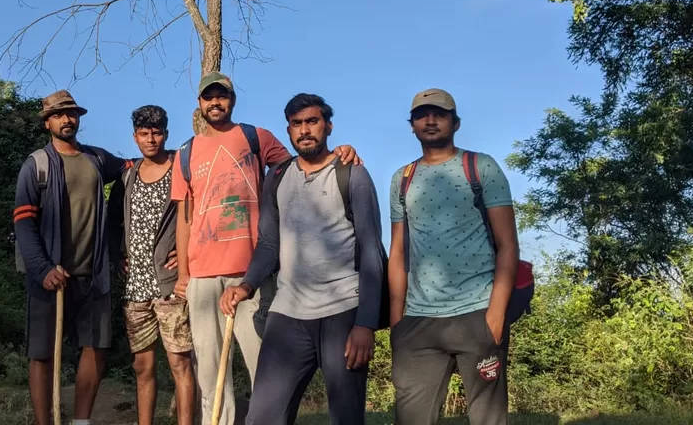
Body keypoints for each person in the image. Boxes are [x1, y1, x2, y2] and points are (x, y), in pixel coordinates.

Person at [170, 72, 361, 425]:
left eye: (222, 96)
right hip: (202, 275)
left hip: (250, 273)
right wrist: (183, 273)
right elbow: (185, 217)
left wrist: (338, 154)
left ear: (232, 100)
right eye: (208, 97)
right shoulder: (185, 153)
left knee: (266, 368)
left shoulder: (255, 138)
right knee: (210, 372)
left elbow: (302, 165)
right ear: (199, 104)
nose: (216, 103)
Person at [220, 93, 386, 425]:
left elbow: (370, 248)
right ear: (289, 129)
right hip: (288, 313)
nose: (304, 130)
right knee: (263, 416)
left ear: (328, 126)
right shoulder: (278, 177)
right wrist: (247, 284)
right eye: (297, 124)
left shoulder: (351, 174)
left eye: (312, 121)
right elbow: (269, 242)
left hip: (343, 309)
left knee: (346, 417)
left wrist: (365, 324)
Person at [388, 89, 520, 425]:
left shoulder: (480, 166)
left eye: (439, 114)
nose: (430, 120)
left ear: (455, 123)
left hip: (477, 312)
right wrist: (396, 322)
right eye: (421, 115)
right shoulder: (401, 179)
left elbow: (508, 245)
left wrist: (495, 313)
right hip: (417, 322)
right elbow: (399, 252)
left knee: (487, 419)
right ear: (412, 125)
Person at [13, 90, 130, 425]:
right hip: (51, 276)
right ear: (48, 122)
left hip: (93, 273)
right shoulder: (36, 165)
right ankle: (44, 421)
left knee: (97, 347)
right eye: (59, 115)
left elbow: (130, 170)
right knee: (43, 353)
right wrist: (42, 269)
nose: (67, 120)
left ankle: (81, 420)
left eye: (72, 113)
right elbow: (23, 222)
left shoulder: (96, 159)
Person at [107, 105, 196, 425]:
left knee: (180, 364)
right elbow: (114, 220)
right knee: (142, 367)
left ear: (166, 134)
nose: (151, 139)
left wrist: (187, 256)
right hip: (136, 288)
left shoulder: (180, 168)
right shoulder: (128, 175)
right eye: (144, 133)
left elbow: (196, 215)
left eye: (156, 133)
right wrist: (119, 254)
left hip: (170, 285)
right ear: (135, 137)